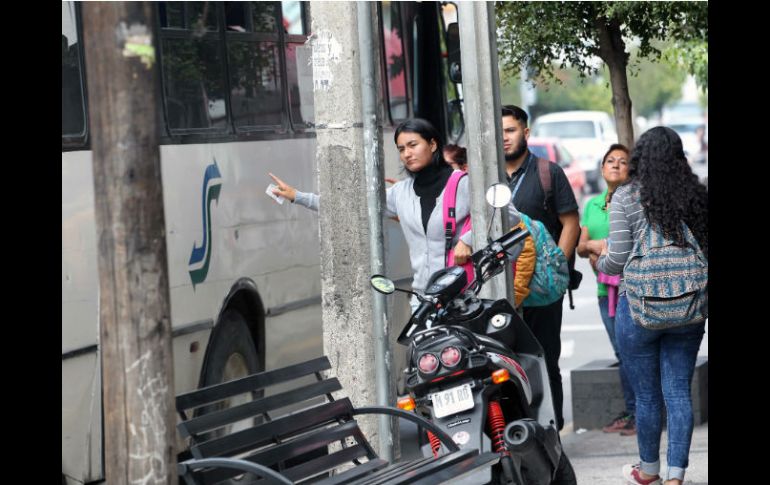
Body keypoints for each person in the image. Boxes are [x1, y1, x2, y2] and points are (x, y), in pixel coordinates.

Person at [595, 127, 708, 485]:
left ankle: (648, 471)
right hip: (689, 307)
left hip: (639, 309)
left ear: (640, 157)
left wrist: (599, 260)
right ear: (679, 156)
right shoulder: (697, 194)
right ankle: (676, 475)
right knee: (678, 392)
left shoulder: (626, 196)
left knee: (646, 397)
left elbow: (616, 260)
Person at [268, 118, 472, 309]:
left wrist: (467, 240)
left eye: (413, 145)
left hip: (462, 297)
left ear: (433, 145)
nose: (407, 154)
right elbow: (349, 205)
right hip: (423, 300)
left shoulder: (462, 183)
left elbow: (491, 212)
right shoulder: (400, 193)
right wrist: (298, 196)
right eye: (401, 149)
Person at [500, 105, 580, 431]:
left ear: (525, 132)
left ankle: (552, 432)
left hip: (540, 290)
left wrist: (558, 267)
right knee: (505, 365)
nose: (504, 138)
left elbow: (570, 222)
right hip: (500, 290)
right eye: (499, 132)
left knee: (545, 360)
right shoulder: (485, 176)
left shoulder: (548, 172)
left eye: (510, 130)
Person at [577, 144, 636, 436]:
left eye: (622, 161)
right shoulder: (592, 204)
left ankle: (639, 413)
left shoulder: (635, 201)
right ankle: (634, 411)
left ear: (630, 169)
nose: (615, 165)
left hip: (631, 290)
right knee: (621, 353)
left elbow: (626, 244)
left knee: (633, 353)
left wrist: (599, 247)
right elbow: (579, 247)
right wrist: (595, 247)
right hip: (604, 292)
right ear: (601, 169)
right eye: (610, 161)